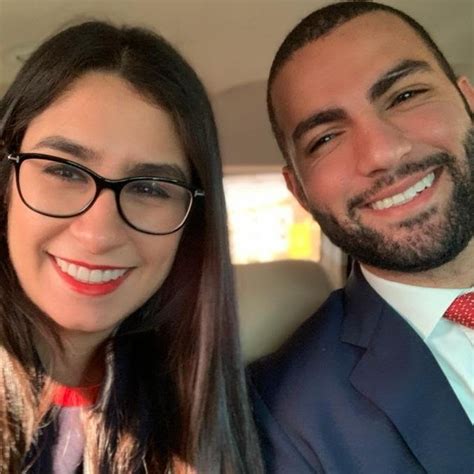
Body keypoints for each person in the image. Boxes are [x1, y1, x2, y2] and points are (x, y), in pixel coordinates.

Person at [0, 21, 263, 473]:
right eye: (63, 171)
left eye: (150, 188)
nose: (99, 233)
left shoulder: (209, 412)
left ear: (192, 225)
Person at [249, 2, 473, 473]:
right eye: (325, 139)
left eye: (405, 95)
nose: (382, 153)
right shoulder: (283, 419)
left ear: (468, 100)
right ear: (299, 191)